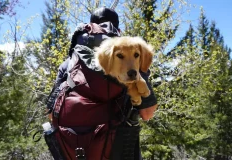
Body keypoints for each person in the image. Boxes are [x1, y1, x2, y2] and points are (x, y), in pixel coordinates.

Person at [45, 7, 158, 159]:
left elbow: (52, 114)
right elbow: (147, 113)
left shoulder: (69, 64)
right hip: (120, 148)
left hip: (75, 151)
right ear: (118, 30)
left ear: (90, 27)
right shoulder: (131, 60)